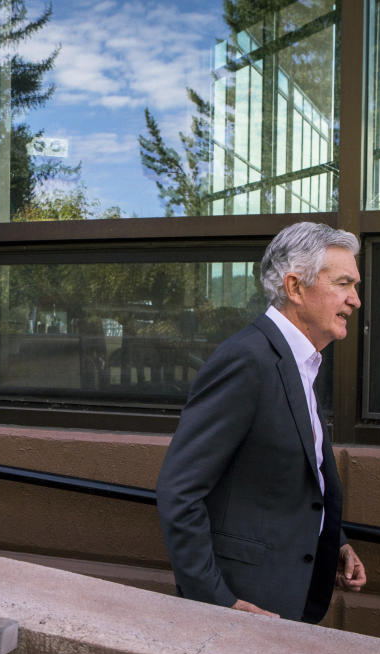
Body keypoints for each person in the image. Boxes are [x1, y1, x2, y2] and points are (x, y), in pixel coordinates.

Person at [156, 221, 366, 622]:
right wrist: (217, 601)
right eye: (343, 284)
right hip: (243, 607)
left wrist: (333, 542)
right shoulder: (247, 360)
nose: (355, 300)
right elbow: (179, 492)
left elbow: (288, 474)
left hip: (292, 594)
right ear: (295, 287)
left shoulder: (301, 359)